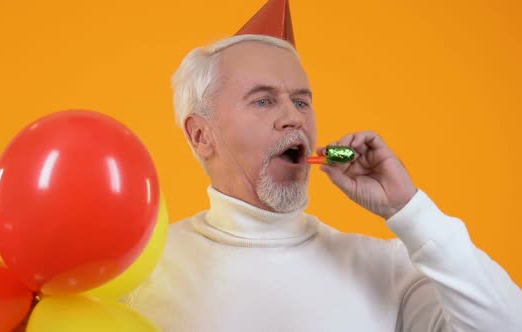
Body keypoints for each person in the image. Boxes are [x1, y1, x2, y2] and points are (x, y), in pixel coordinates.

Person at [123, 2, 522, 331]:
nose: (293, 118)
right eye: (263, 100)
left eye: (301, 101)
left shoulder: (386, 269)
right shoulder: (139, 271)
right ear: (200, 135)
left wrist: (411, 210)